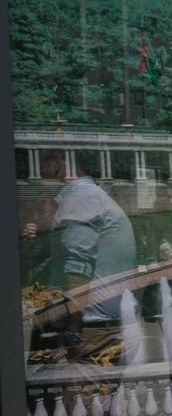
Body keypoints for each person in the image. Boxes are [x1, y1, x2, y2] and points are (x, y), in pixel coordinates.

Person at [24, 152, 136, 362]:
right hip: (93, 323)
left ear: (58, 162)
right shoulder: (86, 196)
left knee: (80, 394)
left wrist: (72, 331)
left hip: (88, 328)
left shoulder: (81, 197)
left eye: (43, 161)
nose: (38, 167)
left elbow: (77, 268)